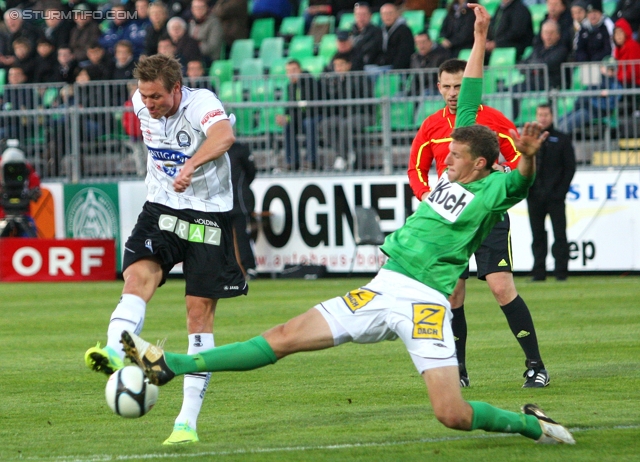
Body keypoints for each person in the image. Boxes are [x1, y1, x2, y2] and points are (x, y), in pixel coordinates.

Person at [121, 5, 575, 446]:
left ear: (479, 163)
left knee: (452, 415)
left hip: (424, 303)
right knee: (282, 338)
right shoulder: (458, 164)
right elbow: (471, 92)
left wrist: (530, 157)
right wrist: (478, 37)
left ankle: (530, 425)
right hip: (383, 286)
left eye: (453, 156)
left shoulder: (492, 190)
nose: (445, 160)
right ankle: (172, 363)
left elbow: (521, 180)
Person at [84, 54, 248, 445]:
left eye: (157, 96)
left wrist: (191, 164)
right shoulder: (140, 101)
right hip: (162, 207)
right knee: (137, 276)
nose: (150, 103)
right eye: (145, 95)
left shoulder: (201, 102)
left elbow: (224, 137)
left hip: (208, 215)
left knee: (198, 314)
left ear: (176, 88)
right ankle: (114, 348)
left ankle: (186, 422)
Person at [408, 57, 550, 389]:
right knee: (454, 295)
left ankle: (536, 365)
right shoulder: (430, 125)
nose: (454, 93)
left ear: (470, 86)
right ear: (438, 87)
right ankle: (458, 369)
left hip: (487, 217)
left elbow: (518, 160)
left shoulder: (493, 120)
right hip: (451, 223)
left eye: (460, 86)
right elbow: (416, 168)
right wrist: (426, 194)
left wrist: (506, 171)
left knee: (501, 288)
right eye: (448, 86)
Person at [528, 103, 576, 281]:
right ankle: (539, 272)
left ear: (552, 116)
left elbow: (569, 168)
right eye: (540, 114)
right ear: (536, 116)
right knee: (537, 236)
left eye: (546, 114)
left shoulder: (562, 139)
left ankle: (561, 272)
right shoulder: (530, 139)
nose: (543, 118)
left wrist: (560, 192)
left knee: (560, 235)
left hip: (555, 197)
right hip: (534, 196)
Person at [276, 59, 321, 171]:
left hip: (315, 115)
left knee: (309, 123)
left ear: (300, 70)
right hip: (301, 118)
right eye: (288, 71)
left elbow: (308, 107)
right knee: (288, 126)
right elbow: (291, 106)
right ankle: (291, 162)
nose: (291, 73)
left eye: (294, 70)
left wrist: (291, 117)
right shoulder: (290, 86)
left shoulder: (309, 81)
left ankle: (311, 161)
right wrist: (285, 117)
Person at [556, 59, 622, 133]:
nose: (610, 71)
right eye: (608, 68)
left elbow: (610, 104)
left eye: (612, 69)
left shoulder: (615, 84)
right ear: (601, 68)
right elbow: (583, 96)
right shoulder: (596, 81)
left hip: (593, 112)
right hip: (582, 108)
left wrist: (591, 101)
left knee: (564, 127)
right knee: (558, 122)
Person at [228, 142, 258, 281]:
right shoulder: (212, 148)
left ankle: (248, 267)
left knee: (242, 235)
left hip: (239, 201)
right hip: (219, 202)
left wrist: (242, 188)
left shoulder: (240, 149)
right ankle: (227, 268)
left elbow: (251, 172)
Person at [0, 141, 41, 238]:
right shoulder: (2, 166)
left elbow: (36, 190)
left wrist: (32, 193)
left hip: (23, 214)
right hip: (2, 216)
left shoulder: (26, 168)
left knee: (29, 237)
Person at [410, 30, 451, 96]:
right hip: (421, 90)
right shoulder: (415, 58)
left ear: (430, 42)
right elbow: (415, 79)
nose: (421, 46)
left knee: (425, 94)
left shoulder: (441, 55)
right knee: (399, 96)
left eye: (423, 42)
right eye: (418, 43)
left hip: (436, 89)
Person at [377, 3, 414, 69]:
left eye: (390, 13)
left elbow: (404, 53)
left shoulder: (404, 30)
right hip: (384, 66)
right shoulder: (380, 30)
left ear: (397, 14)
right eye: (385, 14)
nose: (387, 16)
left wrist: (395, 69)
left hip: (398, 69)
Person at [188, 0, 223, 66]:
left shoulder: (214, 23)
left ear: (207, 8)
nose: (198, 10)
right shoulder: (192, 23)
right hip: (193, 56)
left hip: (209, 58)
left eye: (201, 7)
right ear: (192, 10)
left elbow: (213, 46)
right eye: (196, 7)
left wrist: (195, 47)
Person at [350, 2, 383, 68]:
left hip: (371, 66)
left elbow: (370, 51)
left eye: (364, 14)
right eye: (358, 15)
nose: (361, 18)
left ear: (370, 15)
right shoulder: (350, 32)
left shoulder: (377, 32)